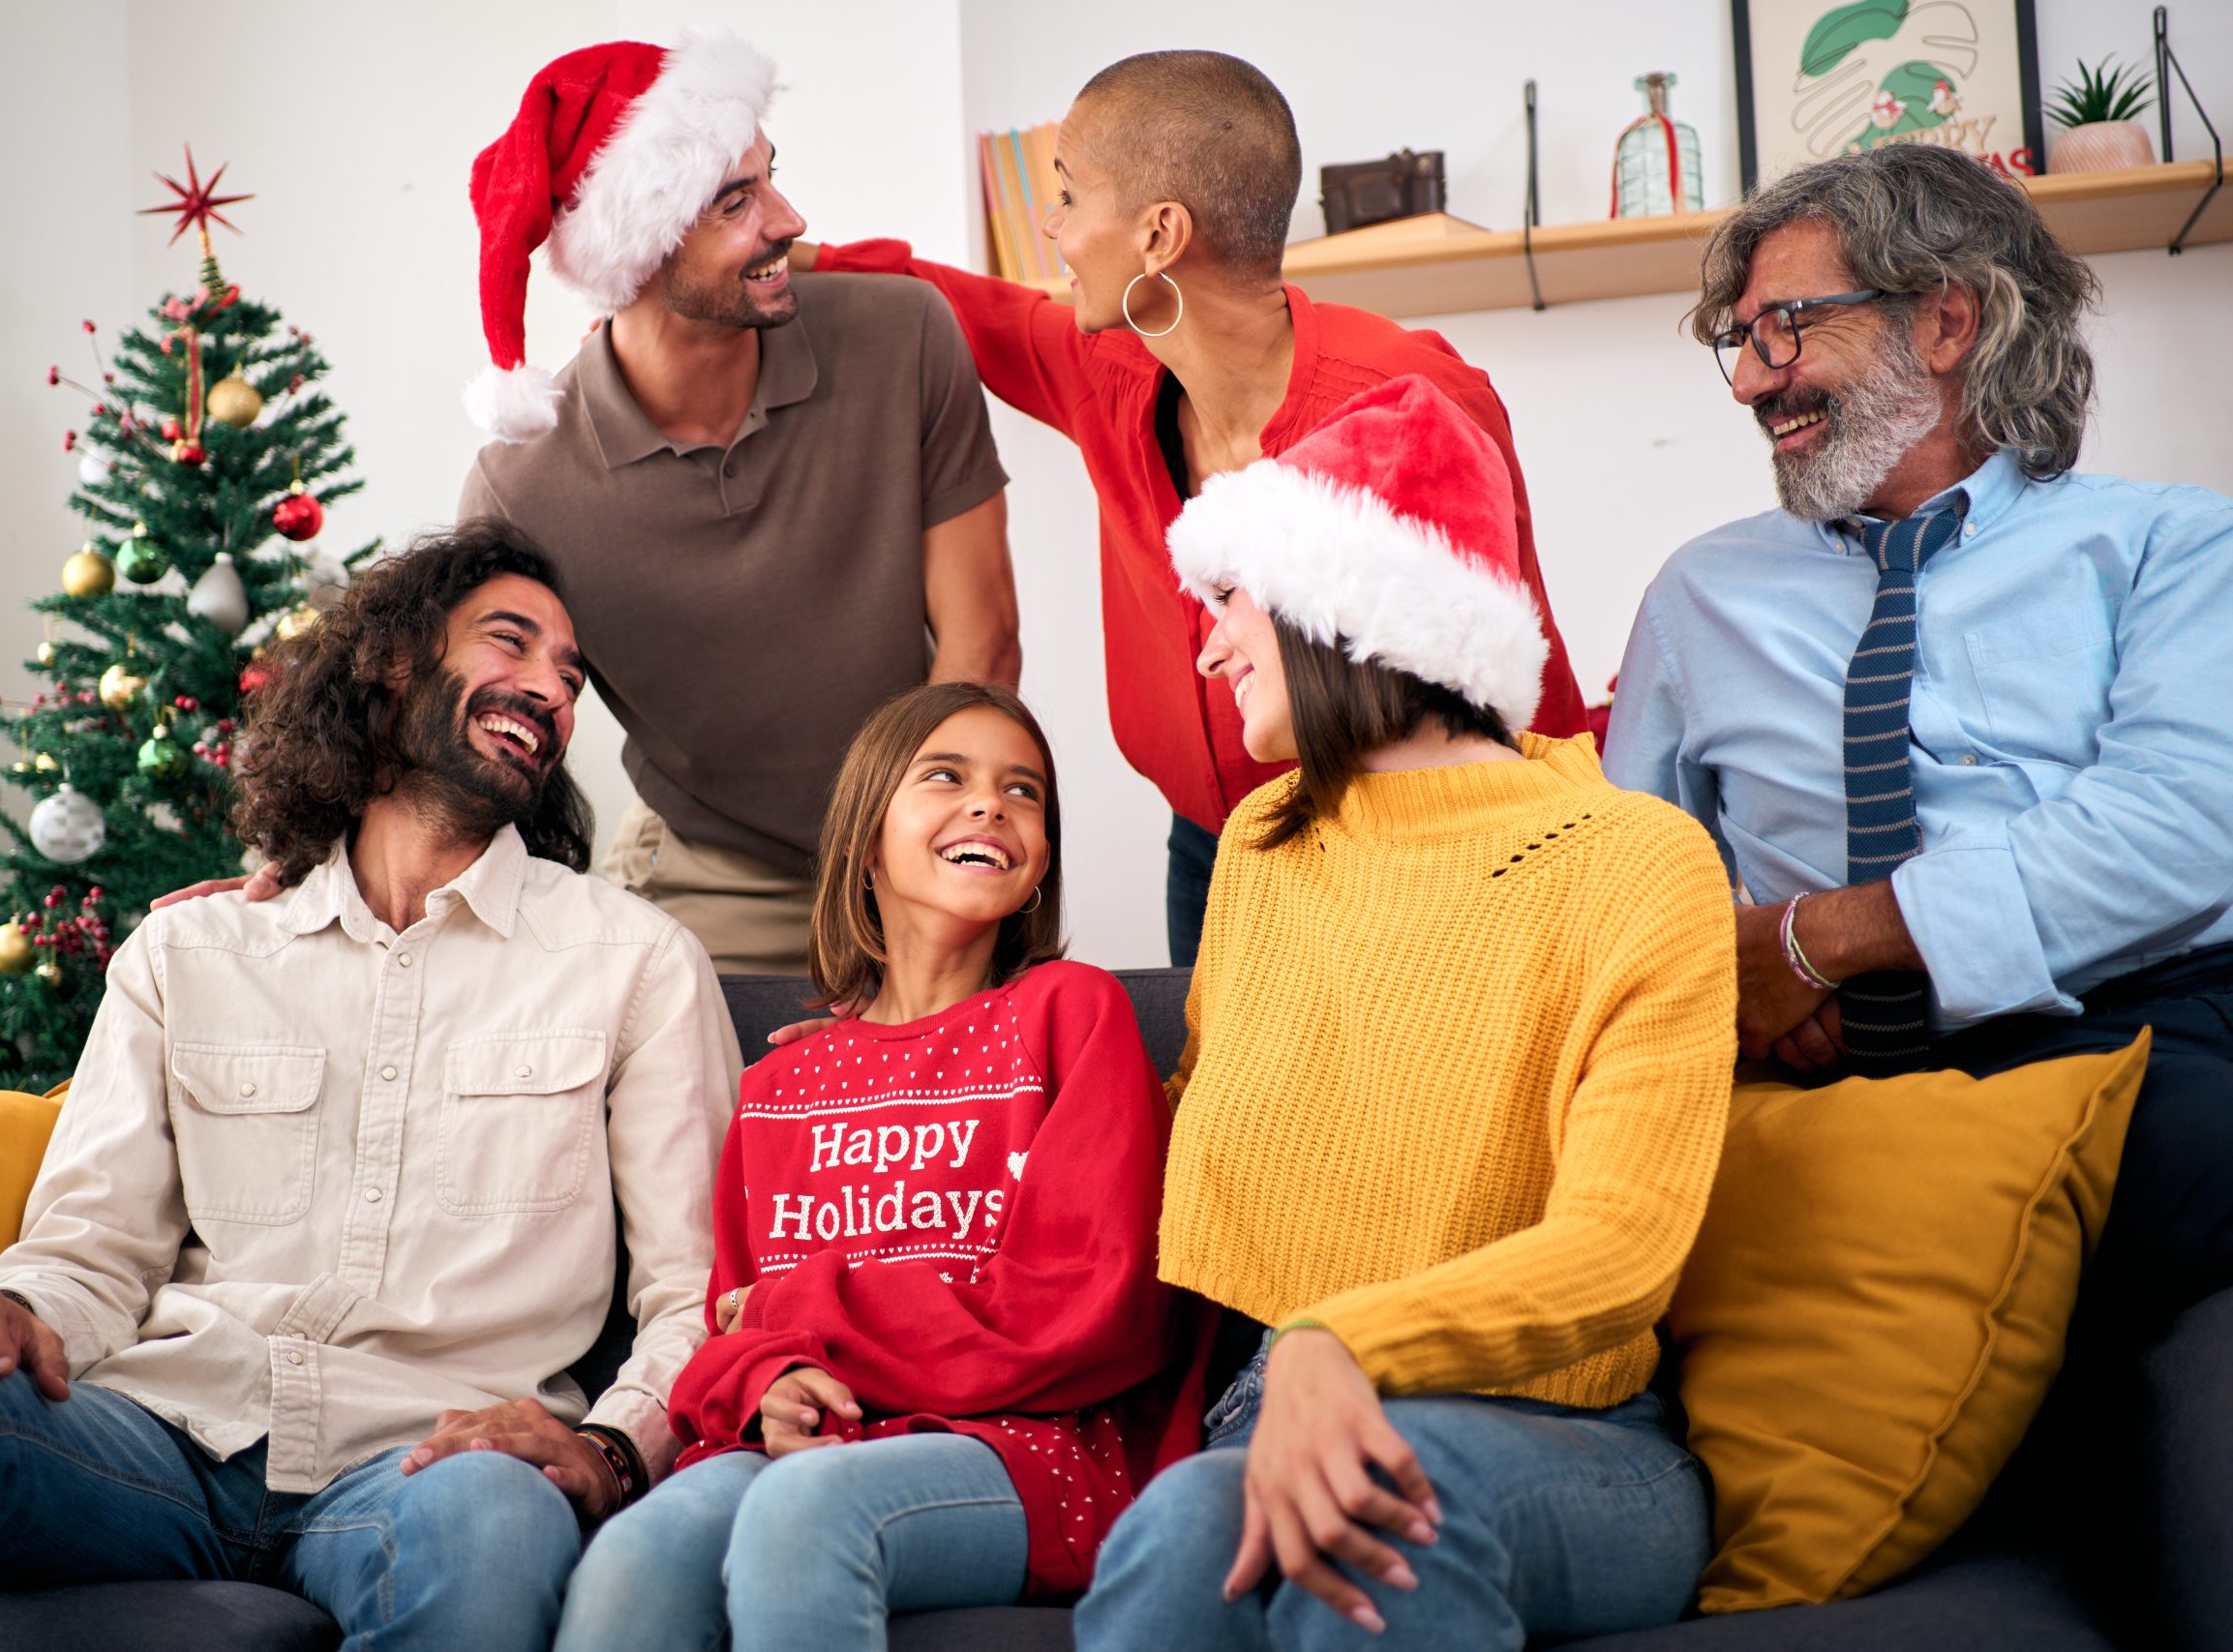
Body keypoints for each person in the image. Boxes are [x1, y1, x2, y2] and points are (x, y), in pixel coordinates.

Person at [0, 527, 738, 1652]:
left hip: (427, 1461)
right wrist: (21, 1314)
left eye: (570, 677)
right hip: (160, 1434)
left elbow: (697, 1293)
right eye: (510, 644)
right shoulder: (193, 952)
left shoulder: (638, 964)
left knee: (495, 1523)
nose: (552, 691)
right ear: (393, 665)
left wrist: (614, 1450)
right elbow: (94, 1249)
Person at [1071, 375, 1737, 1651]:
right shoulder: (1262, 840)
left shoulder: (1635, 860)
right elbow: (1188, 1118)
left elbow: (1625, 1242)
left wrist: (1345, 1334)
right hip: (1275, 1404)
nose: (1208, 648)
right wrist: (944, 1081)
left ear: (1341, 610)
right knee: (1169, 1544)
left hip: (1574, 1436)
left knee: (1377, 1516)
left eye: (1231, 603)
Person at [1604, 143, 2233, 1312]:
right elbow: (1627, 877)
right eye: (1738, 342)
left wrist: (1824, 937)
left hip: (2129, 1035)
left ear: (1946, 322)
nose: (1751, 382)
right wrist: (1727, 973)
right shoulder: (1698, 595)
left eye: (1785, 325)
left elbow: (2179, 833)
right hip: (1829, 1082)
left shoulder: (2174, 545)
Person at [797, 49, 1588, 963]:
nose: (1053, 227)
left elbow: (1517, 684)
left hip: (1392, 855)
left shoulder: (1409, 404)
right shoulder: (1115, 370)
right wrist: (798, 258)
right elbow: (978, 312)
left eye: (1068, 194)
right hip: (1208, 850)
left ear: (1159, 234)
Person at [561, 681, 1205, 1652]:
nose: (992, 804)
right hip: (812, 1440)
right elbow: (727, 1333)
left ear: (1037, 869)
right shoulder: (781, 1083)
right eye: (946, 776)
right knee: (631, 1557)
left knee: (807, 1512)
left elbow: (1093, 1308)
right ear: (866, 838)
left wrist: (800, 1318)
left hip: (1024, 1450)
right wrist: (768, 1379)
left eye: (1023, 792)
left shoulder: (1073, 1015)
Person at [458, 36, 1020, 973]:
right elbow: (466, 724)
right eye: (736, 202)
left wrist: (914, 862)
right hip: (711, 877)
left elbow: (983, 645)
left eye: (769, 178)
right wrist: (316, 859)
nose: (788, 219)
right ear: (640, 251)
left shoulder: (905, 337)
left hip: (923, 839)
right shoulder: (524, 488)